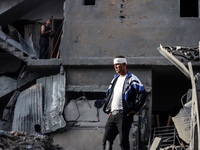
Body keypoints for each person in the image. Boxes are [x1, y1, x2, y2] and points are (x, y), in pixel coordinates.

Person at [101, 56, 147, 150]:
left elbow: (143, 93)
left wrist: (134, 109)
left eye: (118, 64)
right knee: (106, 139)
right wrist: (109, 110)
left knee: (123, 141)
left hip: (124, 115)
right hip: (112, 115)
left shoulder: (131, 78)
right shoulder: (115, 80)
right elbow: (109, 96)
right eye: (114, 65)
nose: (115, 67)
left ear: (124, 64)